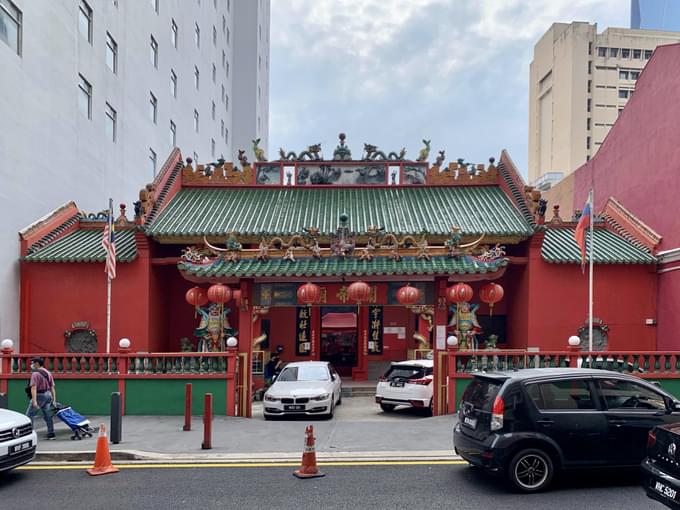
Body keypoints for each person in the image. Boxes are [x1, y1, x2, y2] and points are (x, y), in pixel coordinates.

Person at [26, 357, 57, 440]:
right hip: (48, 395)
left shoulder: (35, 374)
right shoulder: (48, 372)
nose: (31, 365)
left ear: (37, 363)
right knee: (47, 415)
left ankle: (29, 435)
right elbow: (52, 387)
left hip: (39, 395)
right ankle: (51, 433)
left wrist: (34, 401)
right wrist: (54, 399)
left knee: (29, 415)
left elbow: (33, 387)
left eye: (32, 363)